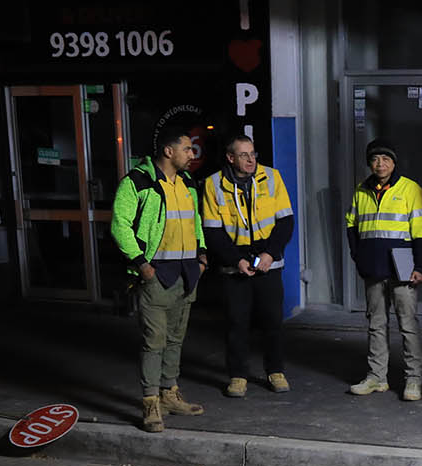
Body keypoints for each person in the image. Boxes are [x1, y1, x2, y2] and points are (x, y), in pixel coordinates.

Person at [110, 126, 207, 433]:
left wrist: (202, 255)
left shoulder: (188, 182)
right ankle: (150, 402)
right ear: (169, 151)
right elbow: (119, 226)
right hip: (155, 276)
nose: (192, 154)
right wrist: (141, 264)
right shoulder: (137, 182)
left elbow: (196, 222)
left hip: (186, 273)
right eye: (187, 149)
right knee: (154, 342)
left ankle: (169, 393)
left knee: (175, 339)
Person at [201, 134, 295, 399]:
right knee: (236, 323)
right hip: (234, 265)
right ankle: (238, 376)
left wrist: (269, 254)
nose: (251, 159)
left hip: (269, 263)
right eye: (244, 155)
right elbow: (213, 232)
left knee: (272, 321)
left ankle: (275, 371)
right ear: (230, 158)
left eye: (253, 153)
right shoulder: (213, 185)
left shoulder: (272, 178)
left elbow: (286, 222)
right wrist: (237, 260)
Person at [345, 138, 422, 401]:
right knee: (376, 324)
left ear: (394, 162)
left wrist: (421, 266)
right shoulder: (361, 190)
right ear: (369, 163)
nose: (380, 164)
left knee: (408, 324)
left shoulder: (410, 189)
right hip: (372, 265)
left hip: (403, 263)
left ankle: (413, 380)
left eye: (385, 159)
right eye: (375, 159)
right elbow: (352, 226)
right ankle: (376, 377)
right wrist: (358, 258)